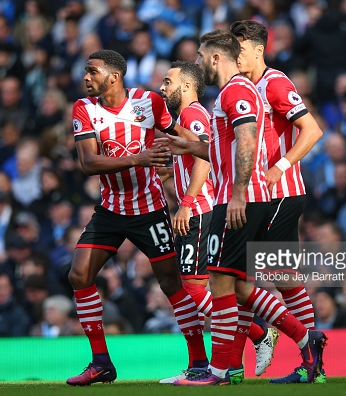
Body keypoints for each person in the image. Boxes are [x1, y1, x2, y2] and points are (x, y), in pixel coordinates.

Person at [162, 29, 327, 386]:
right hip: (248, 195)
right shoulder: (236, 91)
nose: (198, 63)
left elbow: (250, 139)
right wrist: (189, 148)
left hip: (251, 196)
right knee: (233, 282)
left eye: (201, 56)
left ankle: (235, 364)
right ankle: (262, 355)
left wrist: (240, 192)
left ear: (216, 58)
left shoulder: (240, 90)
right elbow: (225, 150)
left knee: (229, 282)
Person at [65, 49, 205, 387]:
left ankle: (199, 361)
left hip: (150, 209)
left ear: (113, 77)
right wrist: (138, 158)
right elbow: (88, 164)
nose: (86, 77)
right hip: (111, 209)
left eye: (92, 71)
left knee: (173, 285)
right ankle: (101, 362)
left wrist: (202, 149)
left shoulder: (148, 103)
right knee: (79, 274)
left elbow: (177, 136)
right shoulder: (84, 109)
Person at [157, 60, 278, 383]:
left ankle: (257, 334)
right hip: (200, 209)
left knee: (197, 289)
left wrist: (185, 203)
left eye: (168, 82)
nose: (162, 87)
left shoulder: (194, 114)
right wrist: (171, 172)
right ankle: (209, 362)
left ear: (186, 87)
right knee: (203, 287)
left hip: (200, 210)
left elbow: (204, 160)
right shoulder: (187, 117)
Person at [230, 19, 326, 385]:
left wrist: (280, 166)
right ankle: (309, 361)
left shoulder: (275, 82)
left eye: (239, 50)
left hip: (281, 193)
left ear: (257, 50)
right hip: (259, 196)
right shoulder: (242, 87)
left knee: (258, 277)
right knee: (271, 279)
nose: (235, 56)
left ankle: (307, 358)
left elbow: (312, 129)